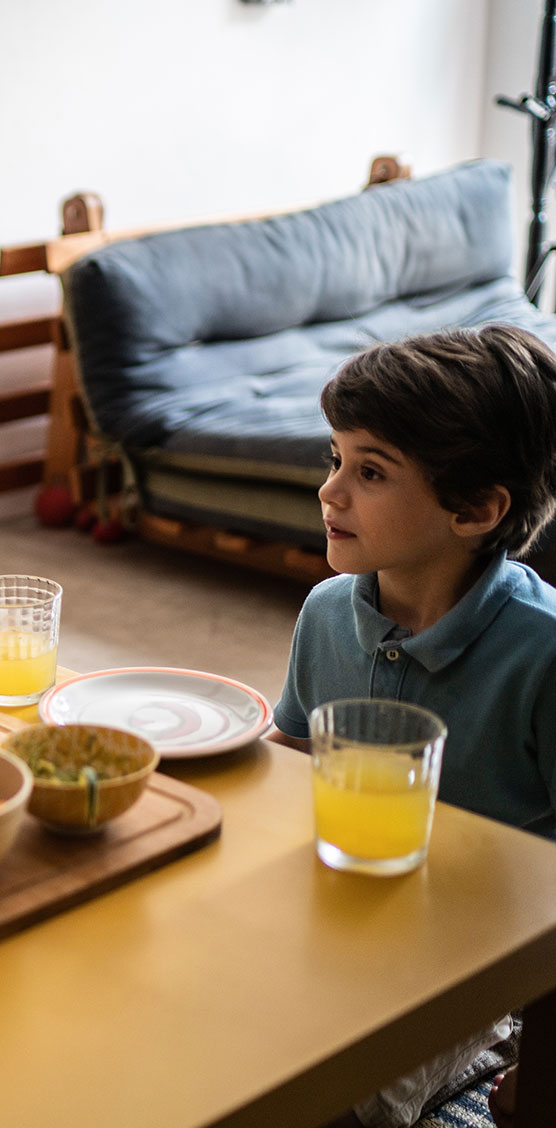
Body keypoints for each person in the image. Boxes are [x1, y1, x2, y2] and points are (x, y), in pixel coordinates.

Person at [269, 324, 556, 1128]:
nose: (331, 491)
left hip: (462, 963)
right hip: (332, 909)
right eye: (335, 459)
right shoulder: (327, 611)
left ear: (475, 509)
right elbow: (286, 762)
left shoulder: (544, 655)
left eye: (370, 471)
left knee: (325, 1096)